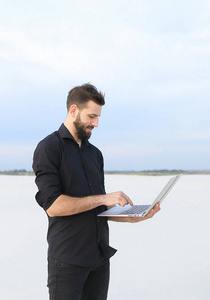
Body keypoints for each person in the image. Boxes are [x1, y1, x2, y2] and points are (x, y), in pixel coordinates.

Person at [32, 83, 160, 300]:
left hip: (99, 258)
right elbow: (53, 206)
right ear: (73, 110)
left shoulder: (95, 154)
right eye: (92, 116)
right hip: (68, 261)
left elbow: (95, 208)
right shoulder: (49, 148)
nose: (96, 123)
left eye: (98, 117)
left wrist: (132, 217)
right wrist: (104, 197)